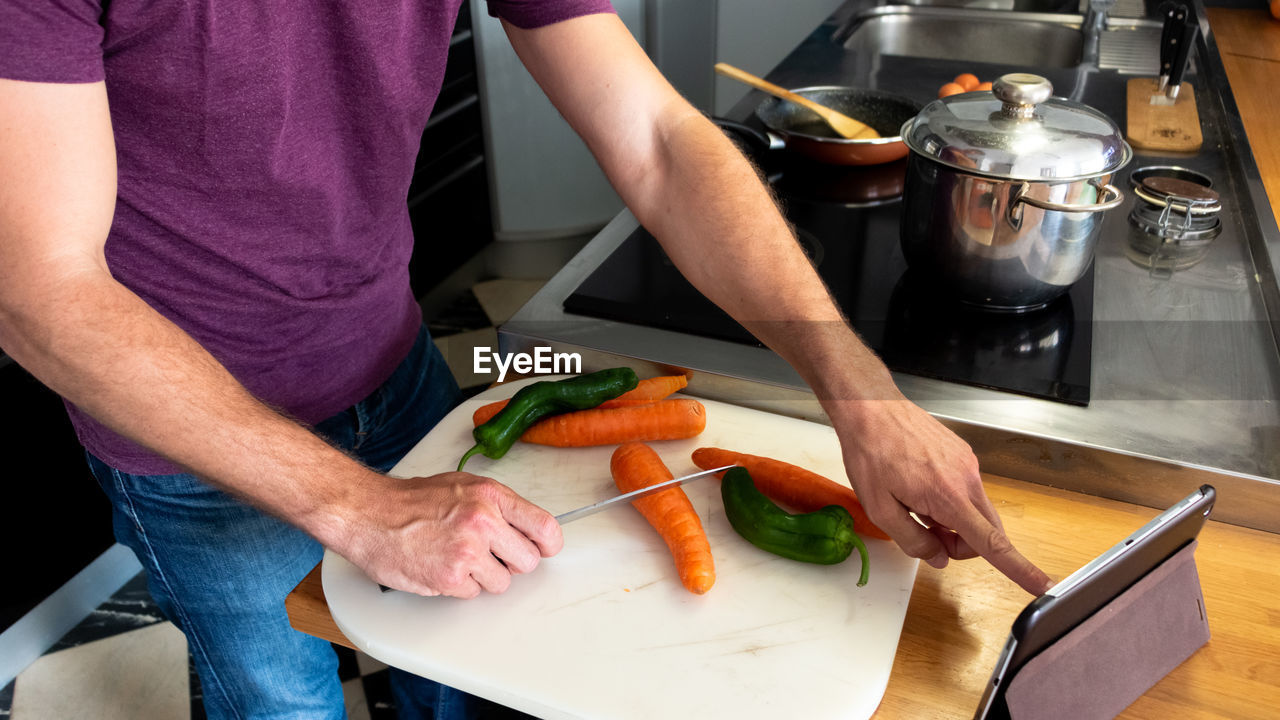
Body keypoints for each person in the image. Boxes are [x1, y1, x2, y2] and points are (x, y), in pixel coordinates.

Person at [0, 0, 1052, 717]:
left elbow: (652, 135)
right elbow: (39, 292)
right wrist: (357, 509)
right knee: (282, 698)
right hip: (194, 450)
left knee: (453, 674)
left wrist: (859, 397)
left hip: (394, 365)